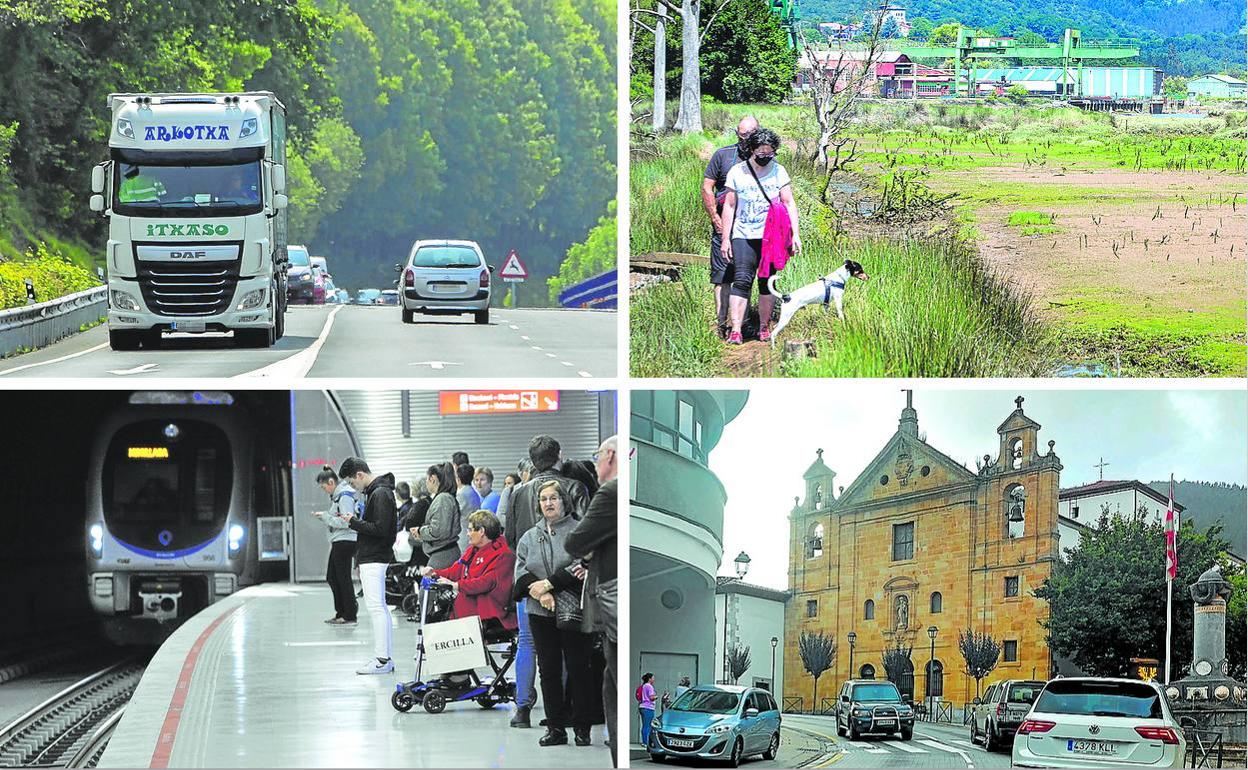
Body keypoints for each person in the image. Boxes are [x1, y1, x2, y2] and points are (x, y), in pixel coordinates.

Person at [504, 437, 591, 729]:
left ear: (531, 460)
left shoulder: (517, 491)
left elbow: (511, 539)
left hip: (529, 581)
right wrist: (551, 584)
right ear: (559, 457)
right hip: (567, 584)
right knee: (567, 648)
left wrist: (535, 584)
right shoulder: (575, 488)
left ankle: (522, 709)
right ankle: (563, 711)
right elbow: (586, 537)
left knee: (527, 644)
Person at [514, 480, 595, 748]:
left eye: (553, 498)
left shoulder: (579, 531)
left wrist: (551, 585)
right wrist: (540, 592)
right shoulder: (529, 536)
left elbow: (580, 566)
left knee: (578, 668)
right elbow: (520, 572)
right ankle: (555, 727)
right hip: (540, 611)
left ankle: (582, 728)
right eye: (543, 499)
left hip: (573, 609)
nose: (548, 503)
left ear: (564, 501)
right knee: (547, 670)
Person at [720, 127, 803, 345]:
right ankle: (736, 330)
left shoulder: (779, 171)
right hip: (743, 234)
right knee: (742, 280)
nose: (765, 158)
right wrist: (726, 239)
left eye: (770, 154)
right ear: (751, 150)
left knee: (766, 282)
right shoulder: (737, 172)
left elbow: (789, 202)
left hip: (771, 237)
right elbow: (729, 206)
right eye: (761, 154)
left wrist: (796, 234)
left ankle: (763, 327)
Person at [565, 436, 619, 766]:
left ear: (610, 456)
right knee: (610, 680)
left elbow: (575, 540)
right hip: (610, 596)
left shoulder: (610, 492)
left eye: (598, 456)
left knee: (613, 682)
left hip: (611, 600)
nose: (596, 463)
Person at [336, 457, 397, 674]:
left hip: (375, 556)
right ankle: (384, 658)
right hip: (373, 556)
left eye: (352, 483)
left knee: (376, 608)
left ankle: (382, 659)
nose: (354, 487)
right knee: (379, 608)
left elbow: (379, 528)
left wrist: (353, 521)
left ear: (360, 475)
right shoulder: (379, 492)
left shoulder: (379, 494)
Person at [702, 116, 758, 338]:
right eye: (740, 135)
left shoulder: (761, 157)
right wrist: (715, 218)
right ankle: (721, 323)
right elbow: (707, 187)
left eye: (748, 136)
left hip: (751, 228)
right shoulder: (723, 155)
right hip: (723, 227)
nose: (743, 140)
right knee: (722, 276)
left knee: (745, 276)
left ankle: (742, 322)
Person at [421, 510, 516, 630]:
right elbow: (455, 571)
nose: (467, 534)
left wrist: (456, 585)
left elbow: (487, 582)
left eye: (470, 530)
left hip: (487, 616)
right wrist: (435, 573)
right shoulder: (473, 551)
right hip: (465, 612)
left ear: (481, 531)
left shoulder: (504, 555)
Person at [313, 465, 357, 626]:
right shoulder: (339, 496)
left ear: (331, 482)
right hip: (341, 540)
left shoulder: (344, 496)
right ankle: (342, 612)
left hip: (345, 541)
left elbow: (347, 521)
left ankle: (349, 614)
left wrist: (325, 517)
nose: (325, 490)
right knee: (334, 577)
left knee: (341, 577)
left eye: (324, 486)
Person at [411, 463, 460, 570]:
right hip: (443, 554)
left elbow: (439, 531)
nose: (426, 483)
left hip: (443, 556)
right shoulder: (444, 498)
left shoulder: (443, 499)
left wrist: (420, 531)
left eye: (427, 479)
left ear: (432, 478)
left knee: (431, 585)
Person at [398, 478, 432, 568]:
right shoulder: (430, 501)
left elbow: (409, 524)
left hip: (418, 545)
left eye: (414, 487)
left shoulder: (419, 505)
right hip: (427, 543)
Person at [455, 463, 482, 553]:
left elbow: (455, 515)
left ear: (458, 479)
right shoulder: (475, 494)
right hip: (473, 534)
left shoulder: (461, 495)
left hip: (463, 536)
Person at [638, 673, 658, 748]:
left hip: (642, 706)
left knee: (644, 725)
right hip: (648, 707)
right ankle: (646, 742)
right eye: (653, 678)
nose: (653, 679)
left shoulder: (643, 686)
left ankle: (644, 741)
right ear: (649, 679)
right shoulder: (649, 687)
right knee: (648, 726)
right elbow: (651, 697)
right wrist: (656, 696)